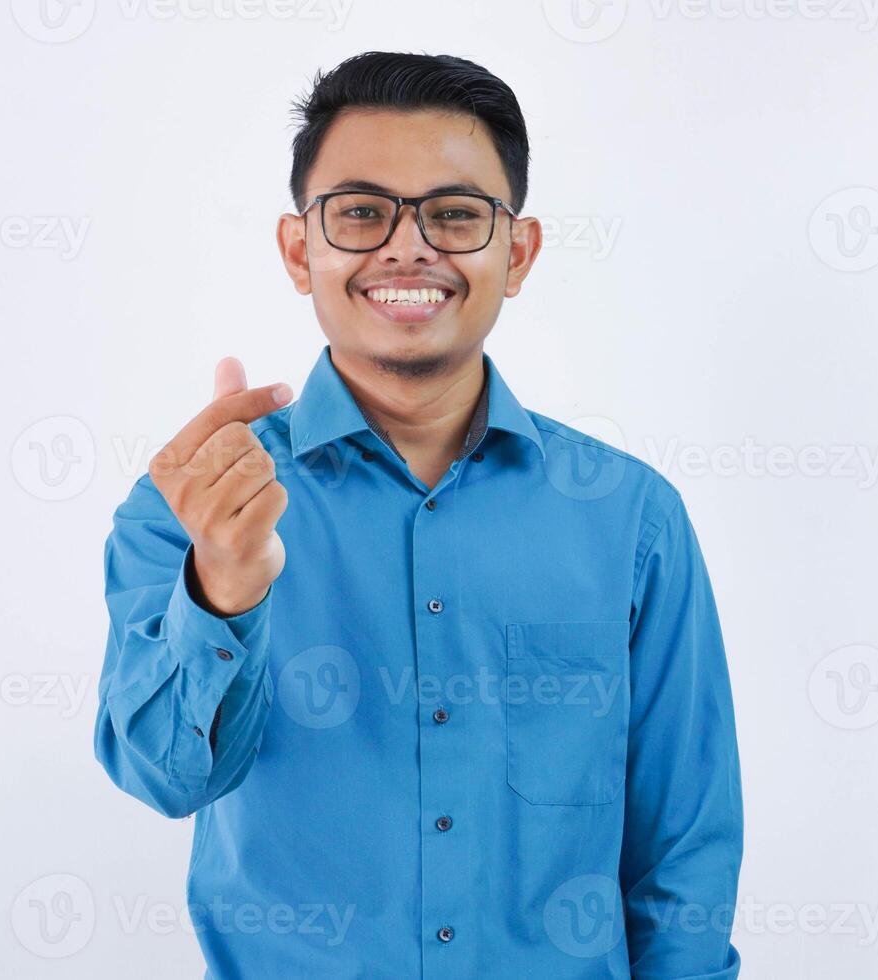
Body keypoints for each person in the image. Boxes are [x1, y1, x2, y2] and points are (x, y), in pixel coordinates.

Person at [94, 50, 743, 979]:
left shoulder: (631, 519)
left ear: (515, 253)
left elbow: (682, 846)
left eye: (455, 214)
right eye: (361, 212)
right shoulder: (193, 503)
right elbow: (167, 778)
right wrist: (223, 592)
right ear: (297, 248)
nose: (409, 248)